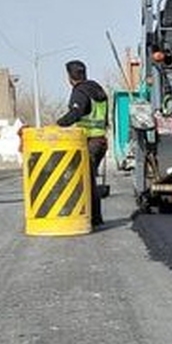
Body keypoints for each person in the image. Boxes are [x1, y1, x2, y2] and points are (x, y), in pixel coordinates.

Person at [56, 60, 109, 227]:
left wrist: (58, 125)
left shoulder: (80, 91)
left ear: (70, 76)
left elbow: (76, 112)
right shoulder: (97, 89)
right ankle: (95, 217)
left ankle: (92, 218)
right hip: (100, 141)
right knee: (89, 179)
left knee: (86, 181)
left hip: (89, 142)